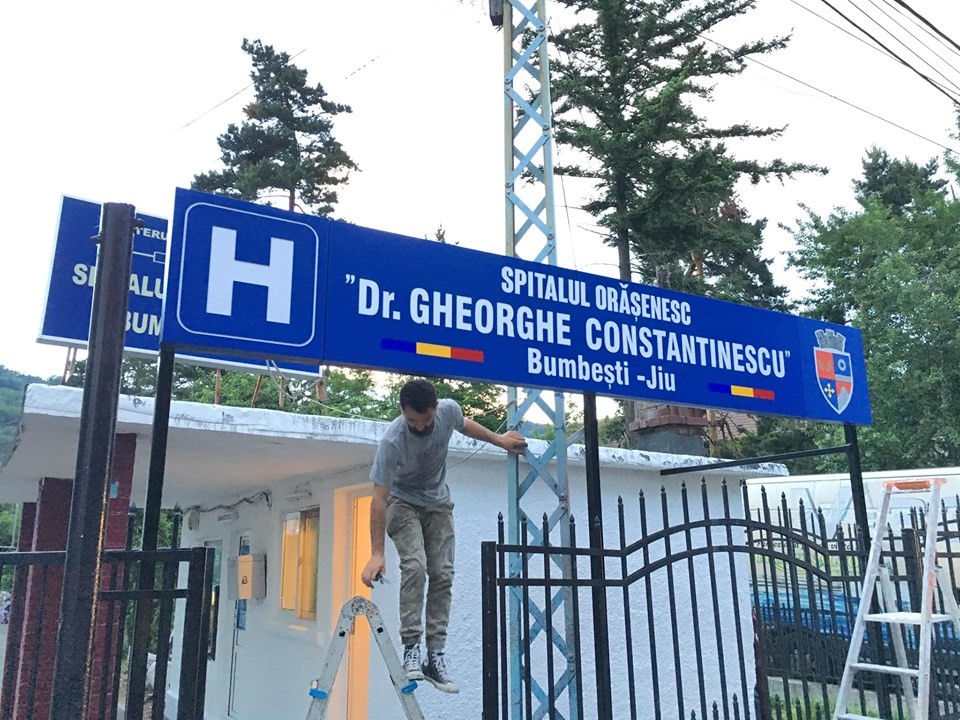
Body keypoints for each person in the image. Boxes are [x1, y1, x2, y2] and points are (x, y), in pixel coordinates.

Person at [361, 378, 526, 693]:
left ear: (435, 409)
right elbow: (379, 499)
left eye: (425, 420)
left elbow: (466, 425)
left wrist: (500, 440)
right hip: (401, 502)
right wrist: (377, 553)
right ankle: (412, 649)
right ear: (403, 412)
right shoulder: (393, 440)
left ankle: (435, 656)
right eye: (412, 420)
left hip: (438, 503)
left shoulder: (448, 411)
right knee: (415, 566)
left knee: (443, 574)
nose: (420, 427)